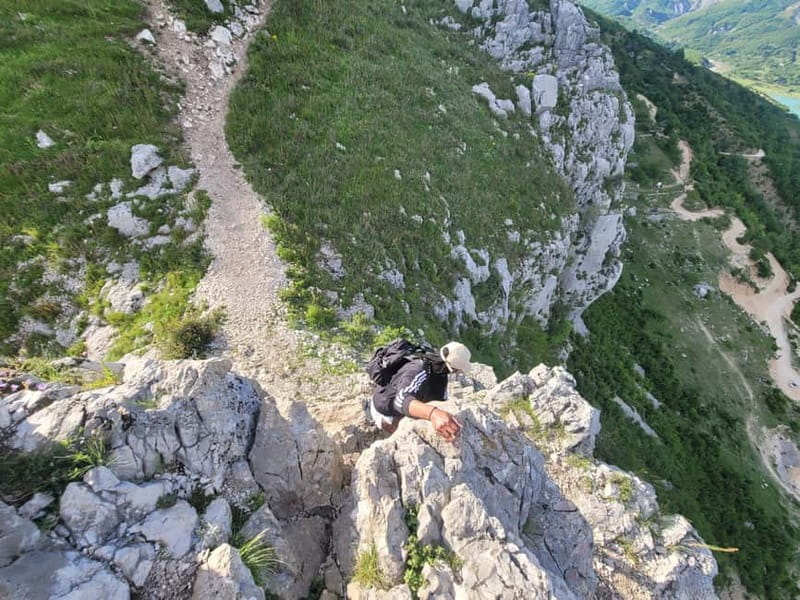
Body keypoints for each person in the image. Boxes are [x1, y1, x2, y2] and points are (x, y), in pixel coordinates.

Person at [369, 341, 471, 443]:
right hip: (387, 411)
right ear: (451, 368)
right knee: (410, 440)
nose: (458, 374)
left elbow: (440, 399)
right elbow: (401, 401)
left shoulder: (439, 372)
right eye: (458, 371)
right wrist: (433, 414)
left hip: (402, 402)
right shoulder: (417, 369)